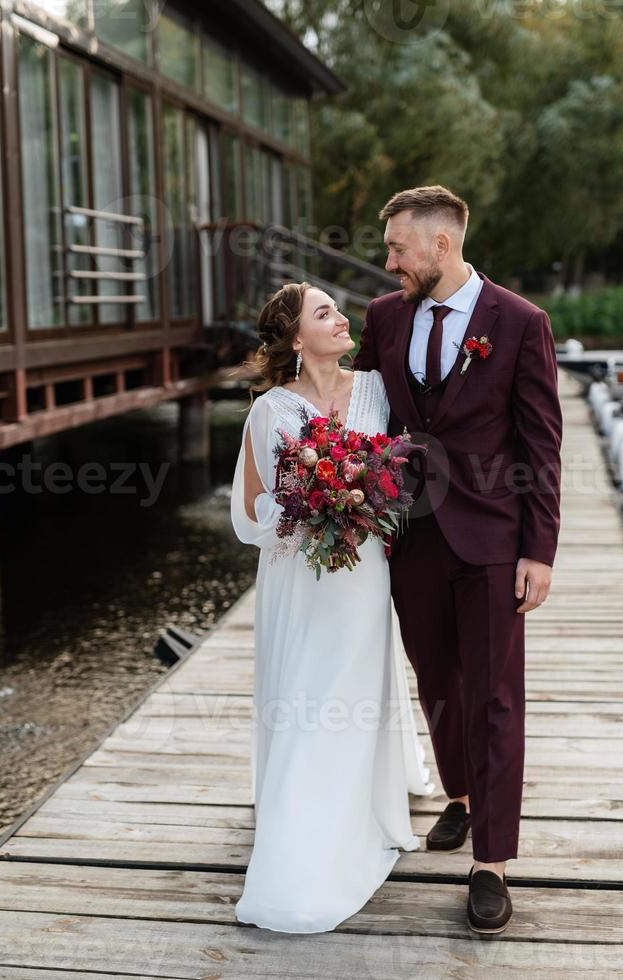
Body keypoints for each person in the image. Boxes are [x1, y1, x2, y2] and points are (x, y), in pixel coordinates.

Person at [354, 184, 563, 935]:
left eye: (398, 249)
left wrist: (539, 548)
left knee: (495, 695)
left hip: (493, 538)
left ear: (441, 245)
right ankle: (463, 795)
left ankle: (491, 864)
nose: (390, 263)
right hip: (409, 533)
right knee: (436, 676)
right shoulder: (384, 318)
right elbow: (356, 407)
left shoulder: (519, 322)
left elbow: (541, 443)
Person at [230, 281, 434, 934]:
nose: (342, 318)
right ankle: (299, 829)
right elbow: (255, 506)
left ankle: (358, 805)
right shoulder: (270, 412)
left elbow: (406, 470)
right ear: (296, 338)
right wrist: (315, 500)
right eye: (325, 313)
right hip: (299, 582)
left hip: (362, 575)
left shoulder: (377, 389)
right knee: (304, 695)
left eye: (338, 310)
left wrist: (362, 493)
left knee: (352, 690)